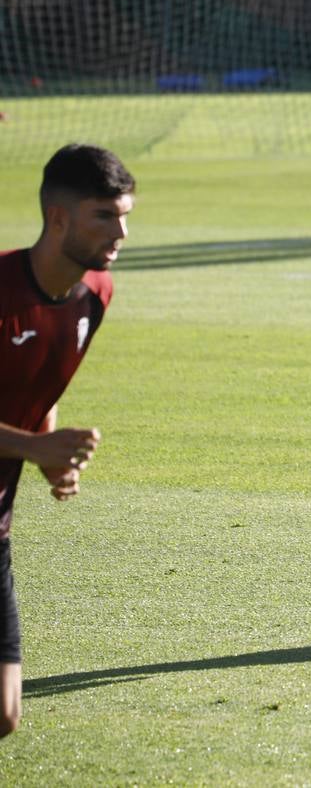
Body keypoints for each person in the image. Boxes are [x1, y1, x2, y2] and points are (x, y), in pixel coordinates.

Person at [0, 144, 135, 736]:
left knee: (4, 714)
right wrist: (33, 450)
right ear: (59, 218)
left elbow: (44, 381)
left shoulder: (94, 295)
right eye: (104, 216)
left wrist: (51, 453)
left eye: (125, 215)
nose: (122, 231)